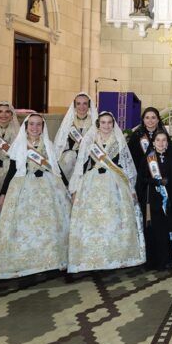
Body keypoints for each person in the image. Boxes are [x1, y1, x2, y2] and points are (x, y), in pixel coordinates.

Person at [0, 113, 71, 278]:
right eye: (32, 124)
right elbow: (12, 170)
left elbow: (56, 168)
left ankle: (49, 262)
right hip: (24, 186)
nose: (35, 128)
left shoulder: (48, 144)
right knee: (25, 227)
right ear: (26, 126)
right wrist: (3, 194)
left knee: (50, 224)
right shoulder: (19, 145)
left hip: (49, 187)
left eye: (38, 124)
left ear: (43, 127)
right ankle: (27, 264)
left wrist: (68, 187)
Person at [67, 112, 145, 273]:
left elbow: (126, 168)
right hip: (91, 183)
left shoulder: (119, 142)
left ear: (113, 124)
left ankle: (114, 257)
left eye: (109, 122)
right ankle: (92, 258)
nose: (106, 125)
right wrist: (75, 188)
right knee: (92, 221)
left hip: (114, 184)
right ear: (98, 124)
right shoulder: (89, 142)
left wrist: (131, 188)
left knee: (113, 219)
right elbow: (81, 166)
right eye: (103, 122)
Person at [136, 130, 172, 269]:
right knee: (156, 231)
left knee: (168, 228)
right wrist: (156, 181)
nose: (161, 143)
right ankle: (155, 261)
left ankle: (168, 259)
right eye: (158, 140)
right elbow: (141, 180)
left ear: (167, 143)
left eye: (164, 140)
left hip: (170, 199)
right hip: (153, 201)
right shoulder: (148, 158)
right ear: (153, 142)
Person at [53, 92, 95, 182]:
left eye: (85, 103)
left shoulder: (94, 122)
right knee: (69, 158)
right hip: (71, 154)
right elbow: (61, 142)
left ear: (89, 105)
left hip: (89, 153)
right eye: (78, 103)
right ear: (75, 105)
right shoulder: (69, 122)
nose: (81, 107)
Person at [128, 107, 166, 172]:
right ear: (143, 119)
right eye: (147, 118)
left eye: (153, 118)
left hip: (159, 172)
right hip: (140, 172)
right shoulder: (136, 135)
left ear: (158, 120)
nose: (150, 120)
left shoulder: (163, 135)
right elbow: (129, 154)